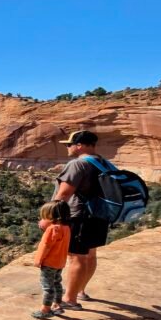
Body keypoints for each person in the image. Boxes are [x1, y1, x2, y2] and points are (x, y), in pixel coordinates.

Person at [47, 130, 110, 308]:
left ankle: (69, 299)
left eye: (69, 144)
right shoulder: (103, 163)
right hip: (99, 215)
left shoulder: (78, 164)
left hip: (79, 216)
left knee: (76, 258)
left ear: (79, 145)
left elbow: (64, 193)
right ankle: (80, 291)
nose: (67, 147)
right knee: (90, 255)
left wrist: (49, 216)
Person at [32, 201, 71, 319]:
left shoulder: (52, 229)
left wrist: (39, 259)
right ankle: (57, 305)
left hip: (49, 263)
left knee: (47, 286)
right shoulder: (66, 228)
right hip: (60, 262)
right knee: (57, 283)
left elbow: (46, 246)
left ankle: (45, 310)